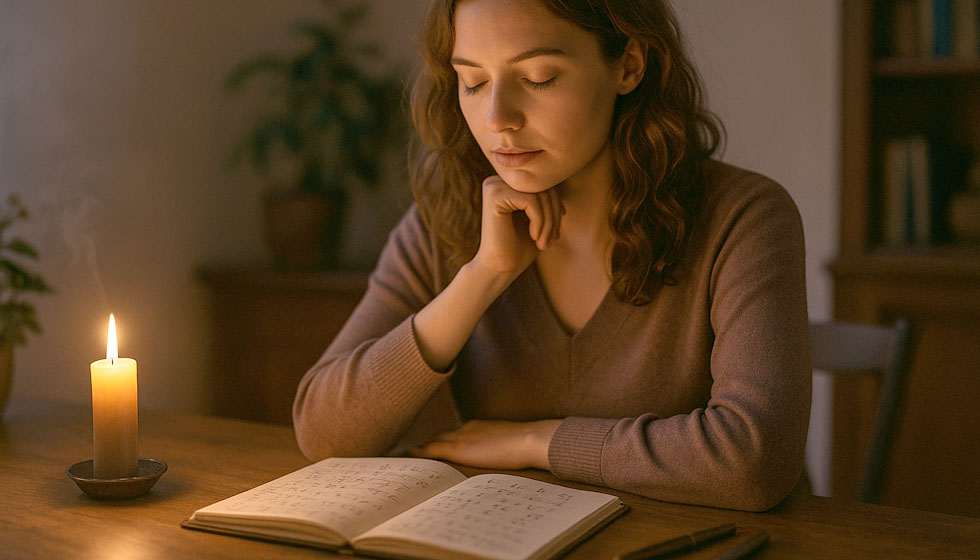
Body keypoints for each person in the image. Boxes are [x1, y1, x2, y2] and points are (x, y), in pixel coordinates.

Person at [293, 0, 811, 512]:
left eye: (539, 77)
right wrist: (483, 276)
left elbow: (754, 461)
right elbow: (323, 433)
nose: (498, 119)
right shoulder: (447, 215)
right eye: (472, 81)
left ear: (629, 65)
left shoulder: (743, 217)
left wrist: (536, 443)